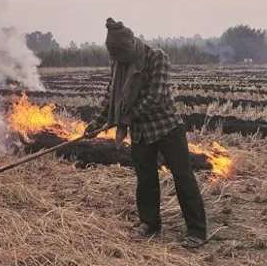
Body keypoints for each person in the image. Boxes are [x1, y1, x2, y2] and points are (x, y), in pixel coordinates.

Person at [84, 18, 207, 248]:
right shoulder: (119, 65)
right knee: (146, 179)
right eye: (115, 56)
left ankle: (197, 230)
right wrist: (96, 123)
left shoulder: (156, 57)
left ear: (131, 45)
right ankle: (150, 223)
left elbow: (156, 96)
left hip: (167, 127)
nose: (119, 60)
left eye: (121, 54)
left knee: (183, 177)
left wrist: (127, 117)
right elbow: (112, 97)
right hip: (141, 132)